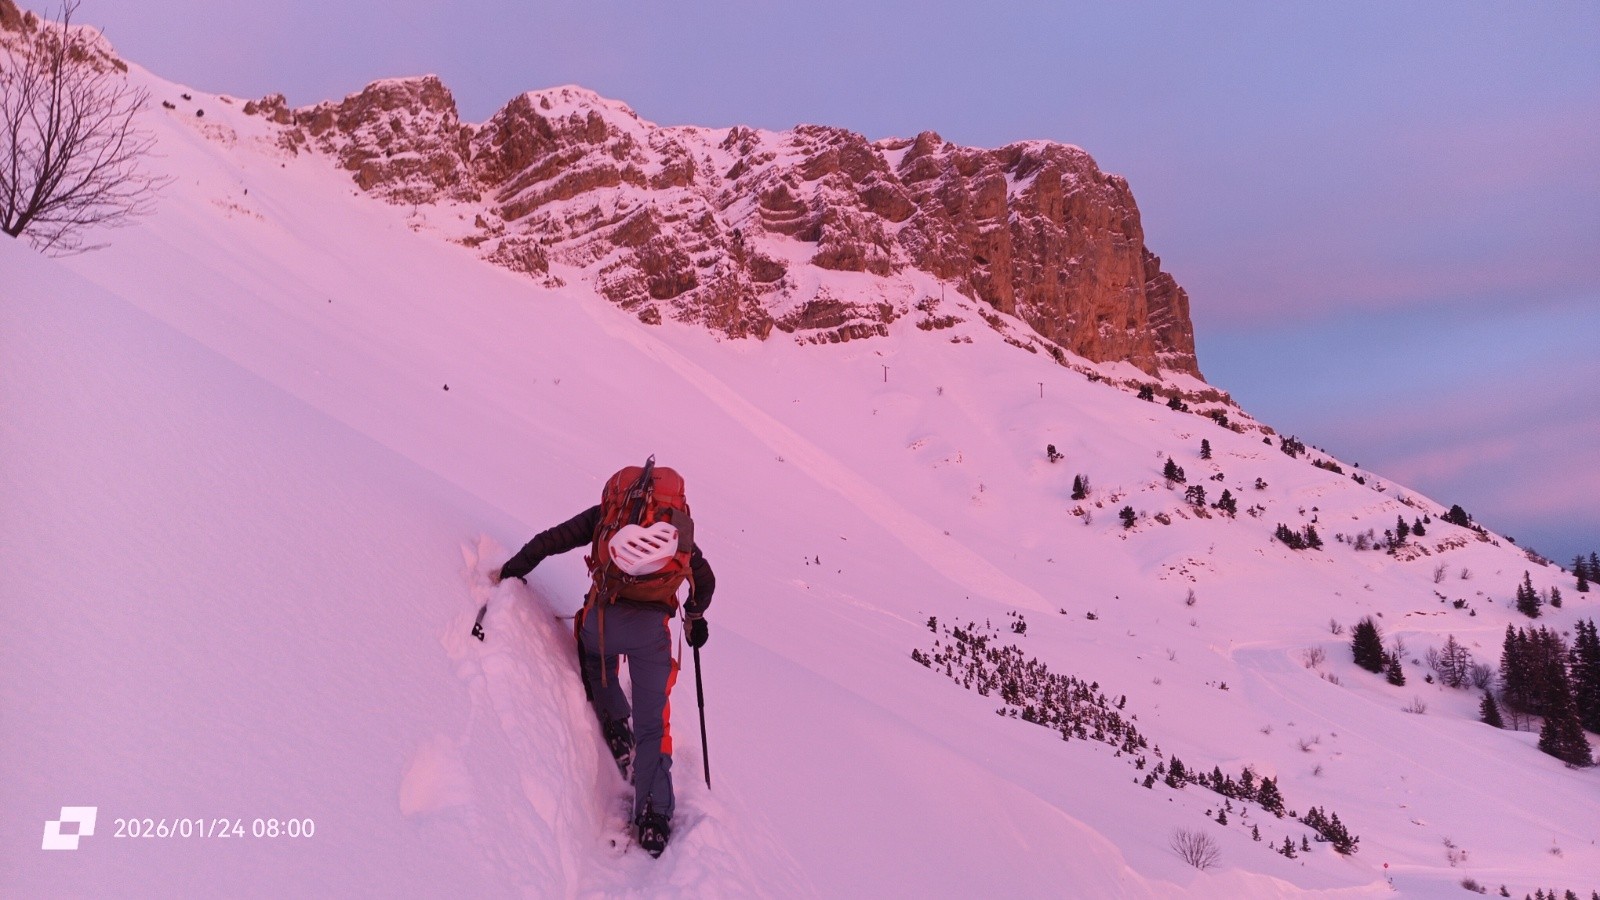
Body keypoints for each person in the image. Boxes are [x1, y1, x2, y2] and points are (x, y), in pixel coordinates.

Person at [492, 462, 714, 858]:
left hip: (602, 623)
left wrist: (512, 570)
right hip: (652, 637)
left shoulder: (606, 517)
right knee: (653, 723)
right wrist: (695, 618)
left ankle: (613, 719)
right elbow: (705, 580)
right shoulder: (677, 529)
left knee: (595, 656)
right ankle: (653, 814)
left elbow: (550, 541)